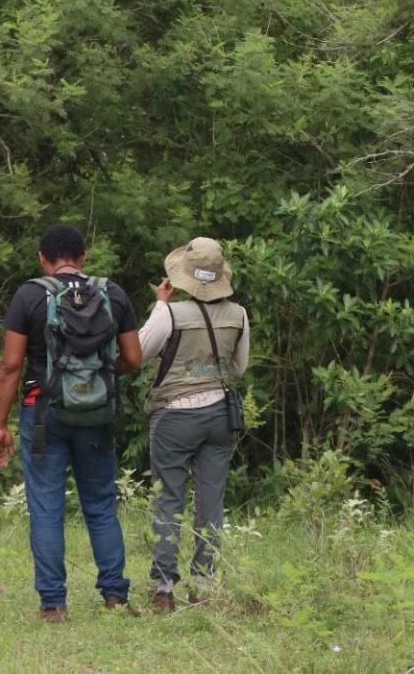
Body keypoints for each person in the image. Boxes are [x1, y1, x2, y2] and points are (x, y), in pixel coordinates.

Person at [0, 224, 142, 622]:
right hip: (97, 415)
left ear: (43, 258)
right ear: (83, 258)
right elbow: (133, 358)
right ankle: (115, 596)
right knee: (101, 505)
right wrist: (93, 383)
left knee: (46, 508)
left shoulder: (29, 295)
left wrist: (0, 425)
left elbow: (10, 366)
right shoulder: (113, 293)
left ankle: (54, 604)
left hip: (44, 414)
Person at [139, 236, 249, 612]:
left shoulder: (171, 315)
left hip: (173, 415)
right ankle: (202, 584)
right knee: (211, 501)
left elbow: (138, 351)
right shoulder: (239, 315)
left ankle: (164, 588)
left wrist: (159, 304)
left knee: (168, 498)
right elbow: (239, 367)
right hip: (220, 415)